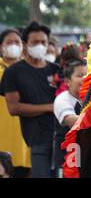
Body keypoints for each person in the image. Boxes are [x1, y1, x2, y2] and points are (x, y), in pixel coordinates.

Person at [1, 21, 60, 178]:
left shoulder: (56, 70)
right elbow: (14, 108)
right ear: (26, 44)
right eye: (35, 42)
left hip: (62, 137)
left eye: (43, 42)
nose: (40, 45)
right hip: (37, 139)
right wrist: (49, 107)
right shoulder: (13, 72)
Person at [0, 29, 31, 177]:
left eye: (17, 42)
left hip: (24, 140)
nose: (13, 45)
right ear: (1, 46)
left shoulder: (30, 70)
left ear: (23, 46)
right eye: (9, 42)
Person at [53, 59, 86, 177]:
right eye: (80, 75)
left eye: (87, 75)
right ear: (67, 81)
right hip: (68, 158)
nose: (84, 78)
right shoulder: (62, 99)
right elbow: (71, 120)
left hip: (88, 157)